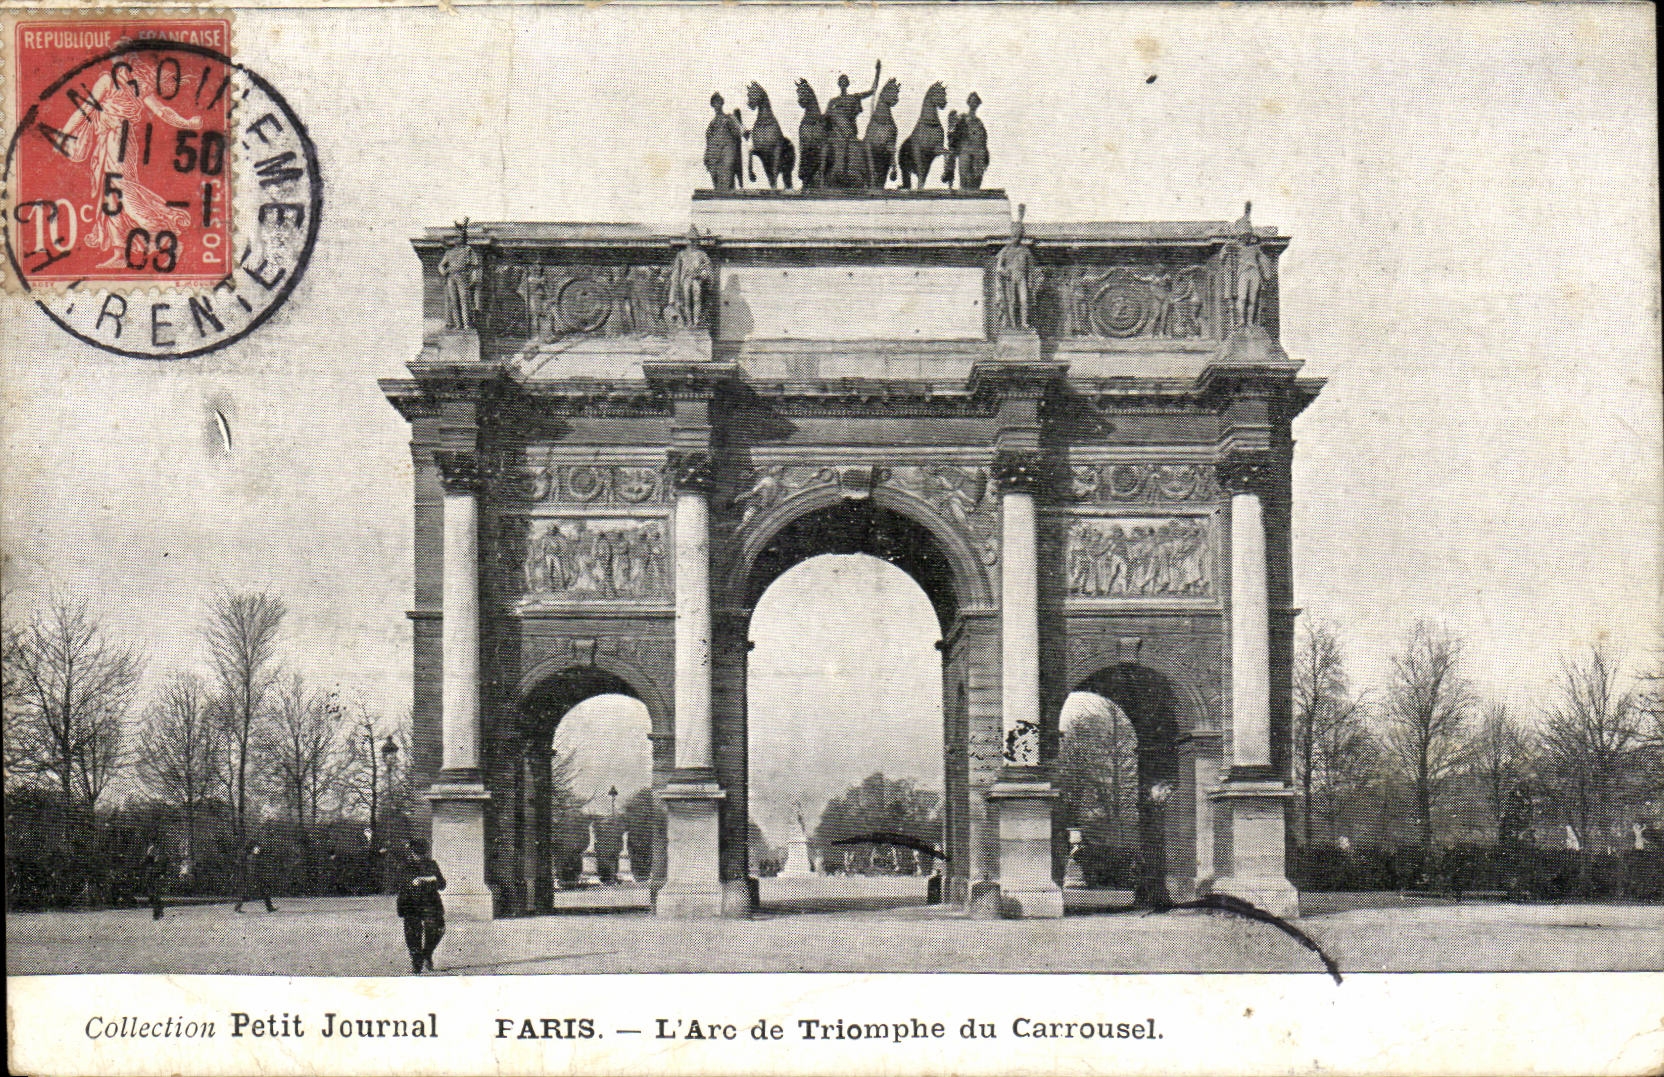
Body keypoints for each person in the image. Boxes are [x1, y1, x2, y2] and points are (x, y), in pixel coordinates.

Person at [396, 838, 447, 974]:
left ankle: (427, 953)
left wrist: (429, 880)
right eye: (417, 853)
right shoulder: (404, 865)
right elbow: (407, 883)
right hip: (411, 903)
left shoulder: (432, 864)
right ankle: (416, 962)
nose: (420, 856)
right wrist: (429, 880)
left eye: (422, 853)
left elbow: (442, 884)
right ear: (411, 852)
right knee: (413, 933)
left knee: (438, 929)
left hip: (430, 902)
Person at [233, 842, 276, 913]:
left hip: (255, 877)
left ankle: (269, 907)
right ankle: (238, 906)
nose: (258, 850)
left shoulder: (254, 857)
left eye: (258, 849)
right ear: (253, 850)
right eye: (257, 849)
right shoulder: (252, 858)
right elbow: (252, 869)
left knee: (264, 891)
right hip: (253, 877)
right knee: (248, 892)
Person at [139, 843, 165, 920]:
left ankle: (156, 913)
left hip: (154, 879)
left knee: (154, 896)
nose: (151, 852)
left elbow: (160, 869)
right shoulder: (148, 859)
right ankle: (159, 910)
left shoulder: (157, 860)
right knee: (151, 896)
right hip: (149, 879)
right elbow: (142, 865)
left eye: (152, 851)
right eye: (150, 851)